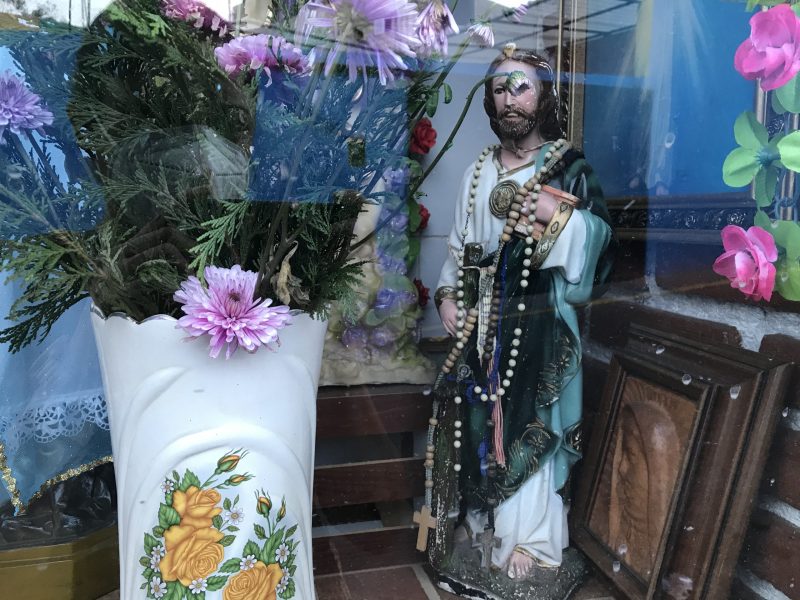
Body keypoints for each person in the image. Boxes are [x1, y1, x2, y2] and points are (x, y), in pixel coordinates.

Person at [425, 44, 615, 592]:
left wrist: (562, 219)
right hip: (483, 329)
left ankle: (530, 541)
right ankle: (485, 526)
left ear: (545, 96)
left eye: (522, 86)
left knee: (532, 424)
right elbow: (461, 248)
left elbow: (603, 247)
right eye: (500, 88)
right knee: (483, 429)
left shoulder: (567, 167)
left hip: (538, 326)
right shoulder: (478, 169)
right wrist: (446, 299)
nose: (510, 99)